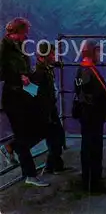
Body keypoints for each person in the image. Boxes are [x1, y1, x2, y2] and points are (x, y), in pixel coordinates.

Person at [0, 17, 49, 186]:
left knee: (38, 127)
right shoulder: (4, 47)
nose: (27, 36)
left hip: (23, 94)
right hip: (13, 96)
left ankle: (11, 147)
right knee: (23, 133)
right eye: (25, 32)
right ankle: (30, 174)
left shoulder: (16, 46)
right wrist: (19, 78)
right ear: (18, 32)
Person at [72, 39, 106, 194]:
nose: (100, 54)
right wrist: (102, 110)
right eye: (97, 51)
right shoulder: (88, 71)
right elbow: (90, 96)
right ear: (91, 52)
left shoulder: (84, 70)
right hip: (92, 117)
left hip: (89, 116)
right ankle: (93, 183)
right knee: (93, 148)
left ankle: (90, 180)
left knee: (90, 147)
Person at [31, 42, 70, 174]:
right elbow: (32, 92)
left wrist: (56, 64)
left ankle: (53, 166)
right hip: (46, 110)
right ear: (44, 56)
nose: (54, 56)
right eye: (52, 54)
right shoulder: (39, 73)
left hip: (49, 108)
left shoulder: (45, 67)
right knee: (54, 136)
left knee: (55, 136)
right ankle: (52, 167)